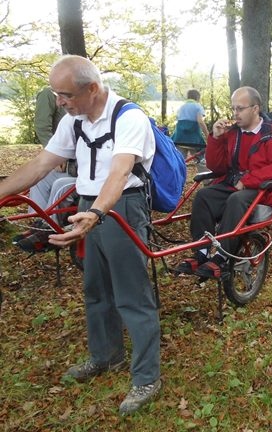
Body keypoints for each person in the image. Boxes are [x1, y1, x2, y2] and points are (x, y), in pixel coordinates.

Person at [0, 55, 162, 415]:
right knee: (96, 289)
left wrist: (96, 213)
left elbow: (120, 172)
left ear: (92, 88)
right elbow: (42, 164)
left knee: (131, 295)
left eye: (65, 94)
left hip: (121, 206)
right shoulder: (74, 120)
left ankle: (147, 376)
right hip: (88, 203)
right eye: (56, 93)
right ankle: (107, 357)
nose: (60, 101)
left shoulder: (128, 117)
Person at [174, 86, 272, 277]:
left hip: (263, 189)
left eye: (240, 108)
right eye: (233, 109)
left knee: (237, 199)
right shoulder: (232, 133)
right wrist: (216, 138)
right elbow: (217, 167)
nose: (235, 114)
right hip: (233, 184)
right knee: (203, 196)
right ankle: (202, 252)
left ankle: (223, 257)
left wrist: (248, 181)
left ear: (255, 109)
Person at [13, 87, 77, 252]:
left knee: (61, 184)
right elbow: (43, 126)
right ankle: (39, 225)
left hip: (84, 173)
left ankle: (49, 227)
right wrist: (55, 155)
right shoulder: (52, 98)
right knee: (41, 179)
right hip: (70, 162)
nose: (60, 101)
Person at [171, 89, 208, 160]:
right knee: (199, 159)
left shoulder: (181, 107)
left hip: (180, 138)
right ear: (197, 98)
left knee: (180, 160)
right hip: (194, 140)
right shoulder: (197, 106)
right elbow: (200, 121)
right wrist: (207, 135)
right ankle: (201, 170)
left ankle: (179, 171)